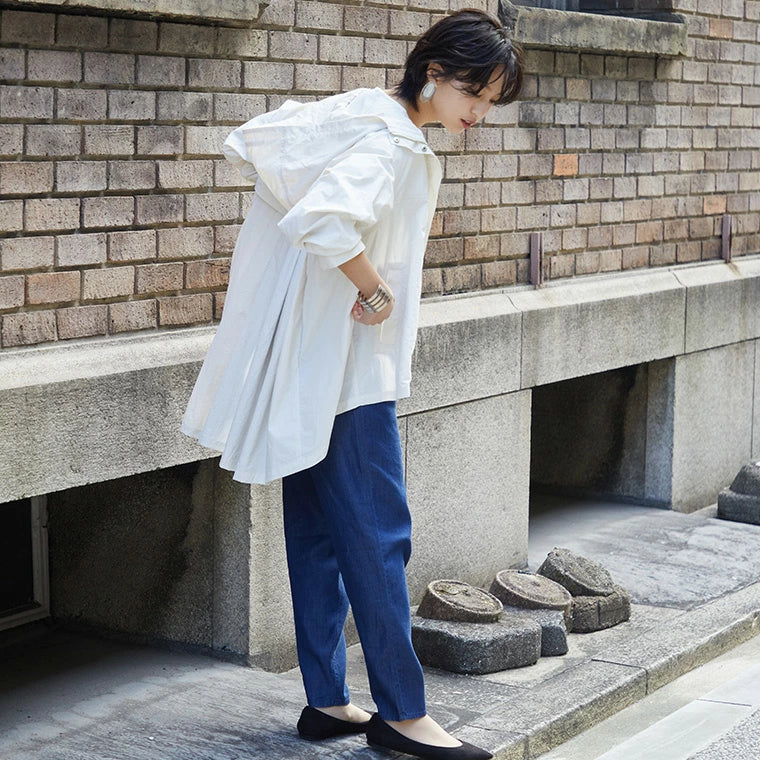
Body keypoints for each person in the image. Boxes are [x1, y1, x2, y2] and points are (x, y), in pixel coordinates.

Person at [181, 8, 523, 759]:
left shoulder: (364, 116)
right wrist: (373, 291)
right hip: (348, 374)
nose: (481, 115)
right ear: (434, 75)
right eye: (477, 95)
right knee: (377, 536)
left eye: (491, 102)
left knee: (317, 535)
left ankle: (328, 701)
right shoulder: (393, 143)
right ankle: (402, 716)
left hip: (312, 368)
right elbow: (327, 218)